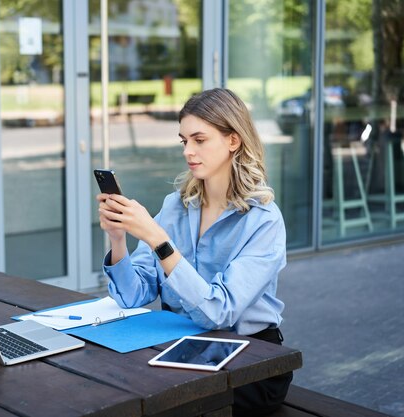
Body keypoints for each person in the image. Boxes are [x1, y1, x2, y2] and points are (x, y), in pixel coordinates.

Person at [96, 88, 292, 416]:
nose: (189, 151)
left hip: (250, 360)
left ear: (233, 140)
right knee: (109, 386)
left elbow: (218, 312)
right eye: (183, 140)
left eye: (200, 140)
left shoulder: (264, 220)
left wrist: (159, 241)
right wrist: (118, 240)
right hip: (181, 347)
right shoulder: (175, 206)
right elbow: (133, 294)